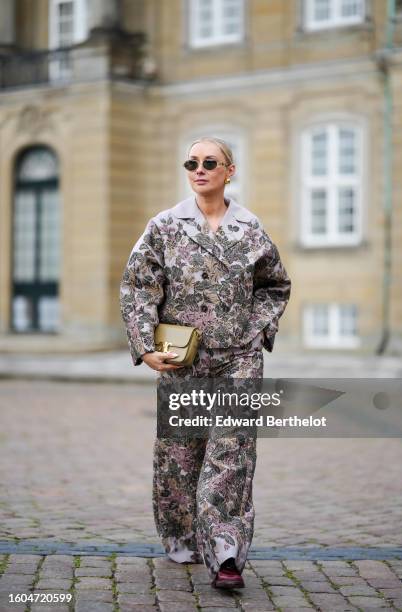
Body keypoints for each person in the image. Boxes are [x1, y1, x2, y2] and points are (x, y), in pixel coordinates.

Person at [119, 136, 291, 589]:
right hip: (183, 361)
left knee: (231, 454)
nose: (199, 169)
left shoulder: (250, 228)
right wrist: (144, 344)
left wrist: (254, 332)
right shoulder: (164, 226)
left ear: (228, 171)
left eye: (209, 162)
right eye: (191, 162)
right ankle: (183, 536)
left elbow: (274, 286)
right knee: (179, 456)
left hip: (238, 359)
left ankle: (227, 552)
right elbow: (138, 285)